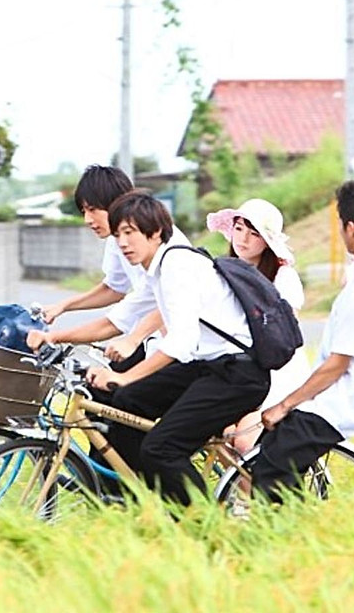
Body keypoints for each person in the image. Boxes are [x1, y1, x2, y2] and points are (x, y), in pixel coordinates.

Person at [83, 191, 270, 507]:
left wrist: (126, 376)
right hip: (210, 365)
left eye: (130, 233)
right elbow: (121, 318)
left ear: (155, 233)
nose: (123, 243)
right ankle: (139, 500)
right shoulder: (157, 268)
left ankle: (203, 523)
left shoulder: (176, 266)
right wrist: (54, 337)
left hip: (239, 374)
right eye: (117, 236)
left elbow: (180, 342)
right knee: (127, 403)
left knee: (161, 447)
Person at [253, 179, 354, 503]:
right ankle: (294, 519)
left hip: (340, 403)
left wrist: (284, 404)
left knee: (269, 466)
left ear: (350, 228)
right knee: (273, 447)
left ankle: (280, 535)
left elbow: (336, 365)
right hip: (350, 396)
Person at [31, 168, 188, 371]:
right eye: (83, 211)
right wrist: (63, 306)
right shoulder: (118, 239)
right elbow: (114, 288)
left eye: (93, 209)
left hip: (182, 347)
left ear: (119, 203)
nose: (87, 220)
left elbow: (163, 305)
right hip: (153, 340)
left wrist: (53, 337)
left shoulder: (161, 244)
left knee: (121, 392)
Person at [205, 198, 308, 455]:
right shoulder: (220, 272)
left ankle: (255, 496)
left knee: (242, 442)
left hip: (278, 372)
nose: (243, 239)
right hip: (237, 369)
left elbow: (283, 332)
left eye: (254, 234)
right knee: (217, 436)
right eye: (239, 229)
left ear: (267, 242)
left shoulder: (283, 277)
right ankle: (234, 494)